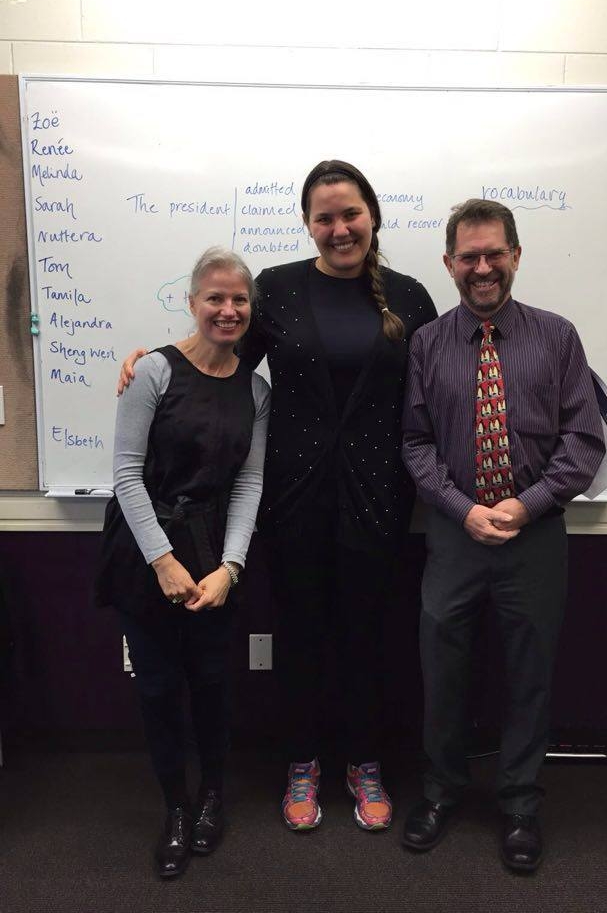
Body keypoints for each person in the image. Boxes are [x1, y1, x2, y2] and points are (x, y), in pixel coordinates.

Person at [119, 160, 437, 833]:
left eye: (350, 214)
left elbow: (436, 389)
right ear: (308, 224)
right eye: (324, 217)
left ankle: (365, 762)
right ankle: (302, 762)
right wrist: (154, 361)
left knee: (368, 636)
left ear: (372, 216)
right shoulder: (280, 290)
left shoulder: (410, 299)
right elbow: (222, 363)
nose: (339, 228)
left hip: (380, 499)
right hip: (293, 497)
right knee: (300, 635)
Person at [400, 199, 605, 871]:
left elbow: (583, 440)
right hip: (453, 536)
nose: (482, 267)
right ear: (449, 263)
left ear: (515, 255)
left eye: (494, 254)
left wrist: (527, 504)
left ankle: (519, 804)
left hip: (535, 538)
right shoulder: (427, 344)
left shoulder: (558, 337)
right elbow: (416, 442)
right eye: (469, 257)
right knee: (442, 670)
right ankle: (441, 791)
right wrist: (462, 509)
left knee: (529, 674)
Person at [96, 247, 270, 878]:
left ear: (250, 309)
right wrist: (163, 562)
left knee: (213, 683)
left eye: (239, 299)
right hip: (145, 549)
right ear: (192, 302)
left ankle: (212, 797)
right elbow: (125, 474)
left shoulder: (256, 390)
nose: (227, 310)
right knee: (158, 687)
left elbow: (249, 482)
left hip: (214, 550)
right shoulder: (152, 372)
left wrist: (231, 567)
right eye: (214, 298)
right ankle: (175, 806)